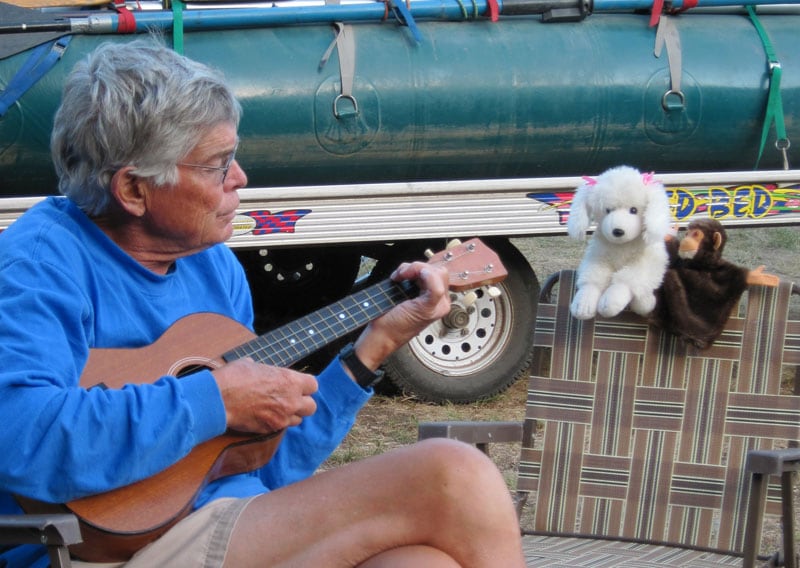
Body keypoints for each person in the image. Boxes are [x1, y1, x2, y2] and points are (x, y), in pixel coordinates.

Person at [0, 37, 525, 567]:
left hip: (222, 525)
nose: (240, 178)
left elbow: (259, 467)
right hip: (91, 553)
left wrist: (377, 343)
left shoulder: (214, 266)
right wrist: (212, 400)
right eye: (216, 164)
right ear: (134, 190)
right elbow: (23, 435)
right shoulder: (37, 267)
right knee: (453, 475)